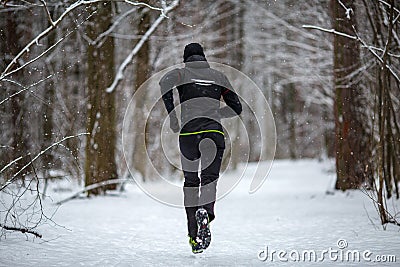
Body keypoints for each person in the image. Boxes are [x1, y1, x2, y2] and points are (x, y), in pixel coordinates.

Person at [159, 43, 242, 254]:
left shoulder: (180, 74)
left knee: (191, 182)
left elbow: (163, 83)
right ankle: (206, 211)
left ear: (186, 58)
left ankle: (194, 236)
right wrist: (215, 114)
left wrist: (173, 117)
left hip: (188, 135)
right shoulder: (218, 76)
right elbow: (237, 107)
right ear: (203, 57)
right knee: (209, 178)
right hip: (214, 134)